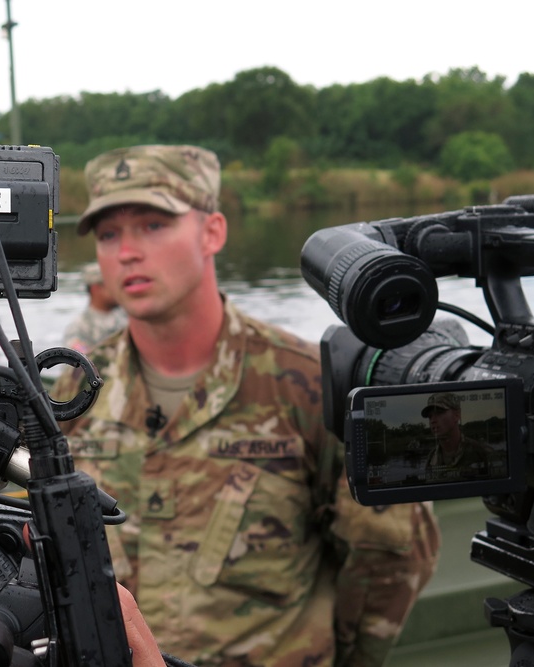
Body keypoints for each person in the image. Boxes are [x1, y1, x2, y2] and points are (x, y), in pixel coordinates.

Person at [51, 144, 440, 667]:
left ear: (213, 231)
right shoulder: (76, 388)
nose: (126, 252)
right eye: (108, 234)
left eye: (153, 225)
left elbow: (390, 561)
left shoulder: (309, 383)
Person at [421, 392, 492, 480]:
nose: (432, 421)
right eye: (430, 416)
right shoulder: (431, 457)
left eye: (439, 413)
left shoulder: (481, 452)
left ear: (457, 415)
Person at [63, 262, 127, 353]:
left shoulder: (127, 315)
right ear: (96, 289)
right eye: (112, 284)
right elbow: (80, 363)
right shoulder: (79, 328)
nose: (118, 289)